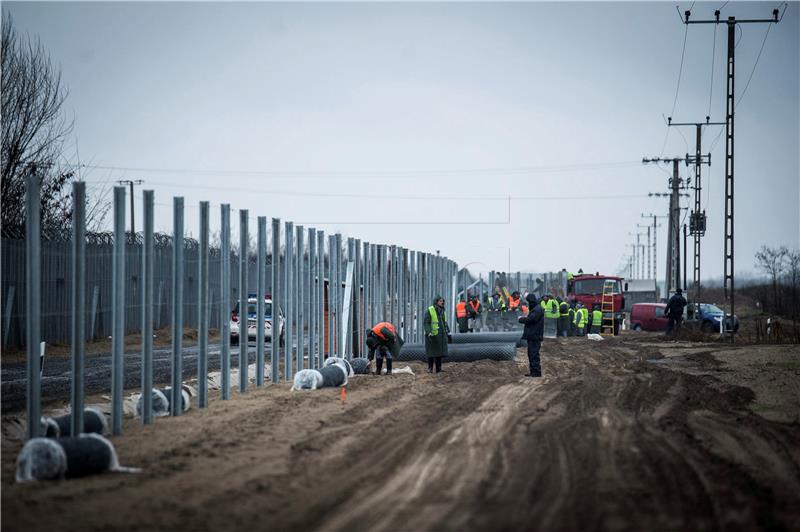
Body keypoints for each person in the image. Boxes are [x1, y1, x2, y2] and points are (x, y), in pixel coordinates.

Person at [424, 295, 451, 373]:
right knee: (431, 352)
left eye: (442, 301)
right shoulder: (430, 310)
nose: (442, 302)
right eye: (440, 301)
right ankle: (430, 368)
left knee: (439, 352)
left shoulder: (442, 310)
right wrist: (429, 332)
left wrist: (448, 332)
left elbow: (444, 322)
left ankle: (439, 369)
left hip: (441, 335)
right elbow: (426, 323)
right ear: (436, 302)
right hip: (432, 336)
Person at [518, 293, 543, 377]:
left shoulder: (537, 309)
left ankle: (536, 372)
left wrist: (521, 319)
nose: (528, 303)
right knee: (531, 354)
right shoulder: (536, 308)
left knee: (534, 354)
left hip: (535, 335)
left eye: (528, 301)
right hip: (533, 335)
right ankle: (533, 371)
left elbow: (531, 319)